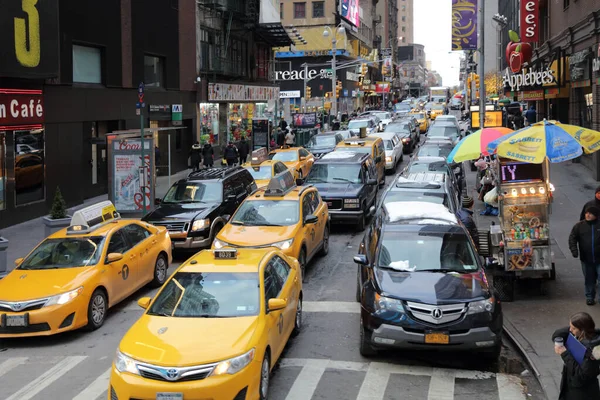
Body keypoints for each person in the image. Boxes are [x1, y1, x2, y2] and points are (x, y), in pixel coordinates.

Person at [552, 312, 600, 399]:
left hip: (582, 393)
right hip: (571, 386)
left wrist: (564, 353)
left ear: (582, 330)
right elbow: (557, 334)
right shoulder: (580, 335)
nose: (570, 330)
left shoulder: (592, 351)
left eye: (573, 328)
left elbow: (581, 375)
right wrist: (574, 324)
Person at [569, 206, 600, 305]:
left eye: (590, 213)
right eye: (587, 213)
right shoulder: (579, 226)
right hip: (586, 259)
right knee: (589, 279)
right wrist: (574, 251)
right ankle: (589, 297)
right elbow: (572, 238)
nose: (588, 215)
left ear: (596, 215)